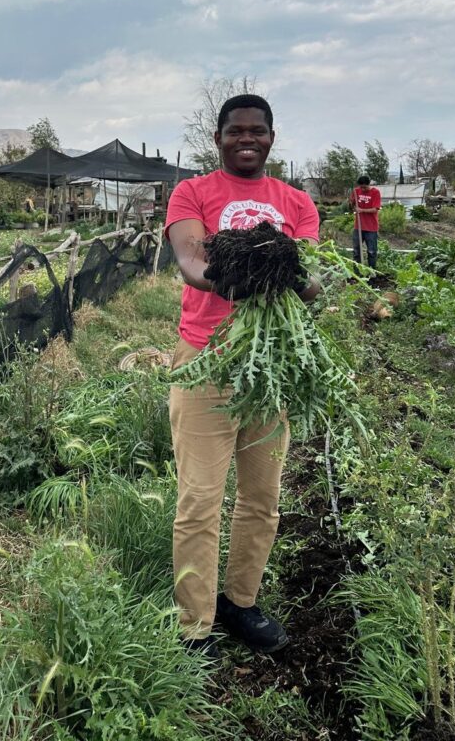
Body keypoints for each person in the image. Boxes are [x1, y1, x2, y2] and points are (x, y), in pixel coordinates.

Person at [165, 94, 320, 657]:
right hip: (206, 360)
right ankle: (194, 623)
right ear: (219, 137)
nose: (246, 138)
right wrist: (237, 274)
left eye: (257, 131)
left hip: (269, 368)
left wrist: (289, 272)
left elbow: (311, 280)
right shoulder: (192, 193)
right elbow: (190, 259)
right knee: (200, 499)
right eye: (236, 131)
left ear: (272, 138)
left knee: (261, 498)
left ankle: (240, 601)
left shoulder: (297, 202)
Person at [349, 175, 381, 269]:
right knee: (356, 251)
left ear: (368, 184)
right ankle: (357, 272)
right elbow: (352, 206)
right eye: (361, 187)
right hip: (358, 226)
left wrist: (362, 210)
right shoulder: (356, 191)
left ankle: (372, 272)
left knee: (371, 251)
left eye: (364, 187)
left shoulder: (375, 192)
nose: (362, 189)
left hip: (371, 227)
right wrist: (351, 204)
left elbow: (375, 209)